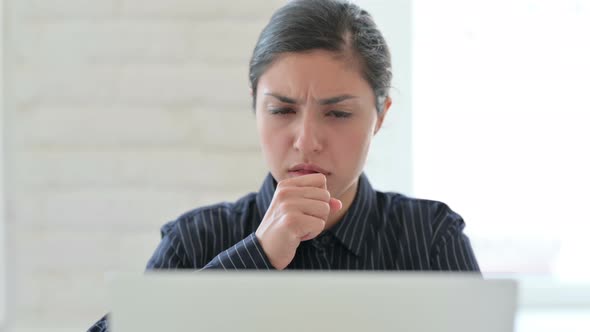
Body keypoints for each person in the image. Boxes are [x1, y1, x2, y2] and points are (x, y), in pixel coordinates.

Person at [88, 0, 479, 330]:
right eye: (281, 110)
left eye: (339, 113)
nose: (306, 140)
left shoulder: (430, 239)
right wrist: (256, 256)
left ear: (380, 115)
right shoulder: (194, 241)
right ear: (255, 106)